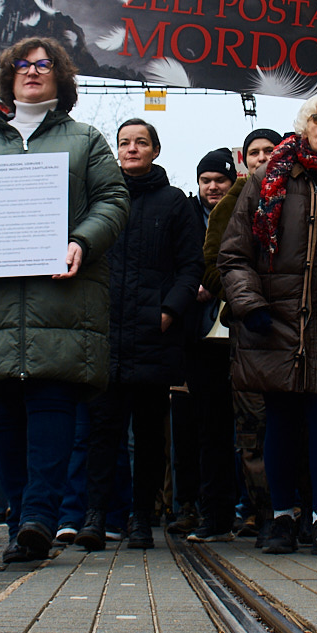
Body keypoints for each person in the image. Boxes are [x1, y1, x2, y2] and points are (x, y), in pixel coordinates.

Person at [0, 37, 128, 563]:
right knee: (4, 408)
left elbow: (113, 200)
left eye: (44, 65)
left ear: (61, 77)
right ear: (8, 75)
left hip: (61, 293)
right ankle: (17, 517)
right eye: (23, 64)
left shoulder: (85, 139)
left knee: (51, 403)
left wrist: (81, 241)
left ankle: (40, 518)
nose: (32, 71)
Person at [219, 92, 317, 558]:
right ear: (304, 126)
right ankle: (281, 518)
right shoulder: (266, 179)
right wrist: (251, 305)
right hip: (273, 322)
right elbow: (234, 254)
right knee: (279, 421)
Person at [76, 120, 203, 551]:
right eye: (125, 142)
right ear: (116, 151)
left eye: (141, 142)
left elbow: (191, 266)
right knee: (102, 431)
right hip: (104, 332)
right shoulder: (97, 201)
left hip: (153, 334)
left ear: (155, 149)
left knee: (148, 434)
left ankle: (141, 519)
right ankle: (95, 515)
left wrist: (171, 308)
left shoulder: (175, 204)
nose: (132, 149)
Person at [203, 128, 282, 541]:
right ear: (244, 160)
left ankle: (297, 511)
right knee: (253, 429)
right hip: (250, 334)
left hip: (295, 334)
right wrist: (243, 304)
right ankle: (264, 511)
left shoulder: (295, 191)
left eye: (270, 150)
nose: (263, 158)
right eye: (255, 152)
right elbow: (213, 264)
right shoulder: (230, 205)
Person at [181, 148, 242, 543]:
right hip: (199, 337)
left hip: (242, 333)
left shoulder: (243, 212)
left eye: (219, 179)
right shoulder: (188, 218)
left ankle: (251, 511)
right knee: (208, 429)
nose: (213, 187)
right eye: (206, 180)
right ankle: (212, 513)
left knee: (246, 430)